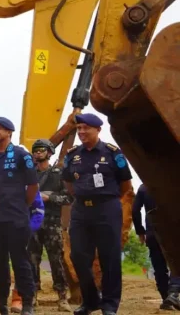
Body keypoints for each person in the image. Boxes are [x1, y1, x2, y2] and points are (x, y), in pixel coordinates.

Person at [62, 113, 134, 315]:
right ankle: (91, 300)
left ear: (98, 130)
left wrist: (107, 199)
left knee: (109, 257)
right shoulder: (72, 155)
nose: (81, 132)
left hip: (107, 209)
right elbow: (68, 181)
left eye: (86, 128)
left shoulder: (112, 153)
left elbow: (126, 184)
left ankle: (110, 305)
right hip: (81, 210)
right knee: (77, 256)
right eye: (79, 128)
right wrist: (81, 196)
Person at [0, 116, 38, 315]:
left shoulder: (20, 155)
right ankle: (1, 304)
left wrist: (23, 205)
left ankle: (27, 303)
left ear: (9, 132)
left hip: (16, 217)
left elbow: (33, 185)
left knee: (20, 261)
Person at [26, 138, 72, 312]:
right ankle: (32, 296)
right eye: (35, 150)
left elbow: (69, 197)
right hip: (33, 222)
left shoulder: (58, 174)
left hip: (52, 222)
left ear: (50, 153)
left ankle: (62, 297)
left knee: (56, 260)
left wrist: (49, 197)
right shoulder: (29, 175)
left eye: (41, 150)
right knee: (32, 259)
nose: (38, 153)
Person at [132, 183, 180, 310]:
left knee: (159, 267)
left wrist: (140, 231)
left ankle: (166, 298)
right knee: (177, 261)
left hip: (152, 232)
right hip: (172, 231)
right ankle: (174, 292)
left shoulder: (143, 187)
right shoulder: (171, 183)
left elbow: (135, 210)